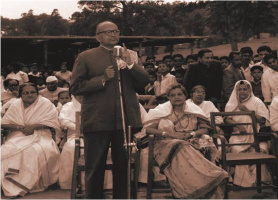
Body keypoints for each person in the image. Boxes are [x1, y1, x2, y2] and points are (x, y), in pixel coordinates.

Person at [70, 21, 149, 199]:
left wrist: (130, 65)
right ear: (98, 36)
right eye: (108, 32)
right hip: (98, 120)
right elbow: (75, 87)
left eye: (116, 31)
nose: (113, 35)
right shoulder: (86, 57)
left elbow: (143, 83)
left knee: (124, 166)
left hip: (125, 119)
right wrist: (102, 79)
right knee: (95, 167)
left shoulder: (130, 55)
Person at [143, 84, 228, 198]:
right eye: (173, 95)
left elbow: (205, 128)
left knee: (198, 145)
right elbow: (148, 129)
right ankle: (211, 177)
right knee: (180, 144)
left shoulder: (194, 110)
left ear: (185, 96)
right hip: (165, 144)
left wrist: (191, 134)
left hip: (191, 140)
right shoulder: (162, 111)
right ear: (168, 97)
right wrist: (169, 134)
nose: (176, 97)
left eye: (179, 94)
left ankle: (196, 189)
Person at [1, 83, 60, 197]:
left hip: (42, 134)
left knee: (33, 151)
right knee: (7, 150)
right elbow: (5, 123)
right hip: (18, 134)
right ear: (21, 95)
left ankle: (25, 185)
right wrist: (20, 128)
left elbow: (53, 123)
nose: (29, 95)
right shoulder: (15, 104)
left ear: (37, 93)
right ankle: (9, 183)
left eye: (33, 92)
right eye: (26, 93)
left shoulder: (45, 103)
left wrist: (34, 126)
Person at [58, 96, 114, 190]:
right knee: (72, 148)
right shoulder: (68, 106)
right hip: (76, 135)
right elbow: (63, 121)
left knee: (108, 147)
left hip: (100, 135)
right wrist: (80, 129)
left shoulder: (100, 104)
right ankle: (77, 183)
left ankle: (105, 184)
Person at [224, 80, 272, 187]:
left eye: (244, 89)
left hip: (256, 134)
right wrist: (238, 125)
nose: (242, 92)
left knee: (261, 148)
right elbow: (227, 119)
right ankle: (242, 182)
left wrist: (247, 111)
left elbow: (263, 120)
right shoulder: (232, 103)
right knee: (236, 149)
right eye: (239, 89)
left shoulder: (257, 101)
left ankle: (260, 180)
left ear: (249, 89)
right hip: (238, 134)